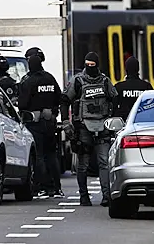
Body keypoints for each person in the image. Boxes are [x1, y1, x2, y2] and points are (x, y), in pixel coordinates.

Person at [60, 52, 118, 207]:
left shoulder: (105, 81)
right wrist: (66, 122)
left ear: (97, 65)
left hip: (103, 127)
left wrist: (113, 121)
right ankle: (83, 196)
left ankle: (106, 196)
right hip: (83, 128)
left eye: (93, 65)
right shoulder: (77, 81)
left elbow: (115, 100)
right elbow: (64, 100)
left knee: (104, 162)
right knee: (83, 164)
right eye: (88, 64)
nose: (90, 68)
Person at [18, 55, 63, 198]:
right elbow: (59, 97)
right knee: (51, 155)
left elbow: (22, 104)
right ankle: (56, 188)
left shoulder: (28, 81)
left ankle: (42, 188)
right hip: (50, 122)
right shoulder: (50, 78)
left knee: (38, 156)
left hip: (34, 122)